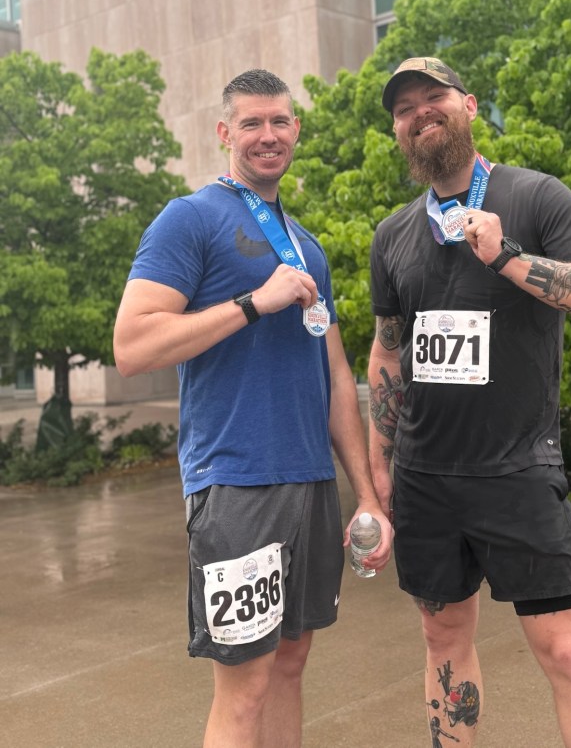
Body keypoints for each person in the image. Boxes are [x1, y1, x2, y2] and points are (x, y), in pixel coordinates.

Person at [113, 67, 392, 748]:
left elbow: (333, 369)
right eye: (251, 123)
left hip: (309, 484)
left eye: (280, 121)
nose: (268, 135)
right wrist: (249, 303)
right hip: (235, 482)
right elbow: (132, 342)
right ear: (223, 133)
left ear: (295, 129)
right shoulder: (191, 218)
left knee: (291, 664)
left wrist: (365, 493)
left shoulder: (306, 246)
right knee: (244, 688)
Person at [368, 56, 571, 748]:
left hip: (517, 471)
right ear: (398, 129)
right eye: (405, 108)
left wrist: (509, 256)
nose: (421, 112)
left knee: (567, 652)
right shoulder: (393, 234)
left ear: (470, 106)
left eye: (435, 97)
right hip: (427, 477)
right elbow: (389, 352)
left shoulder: (535, 196)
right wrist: (379, 466)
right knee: (443, 643)